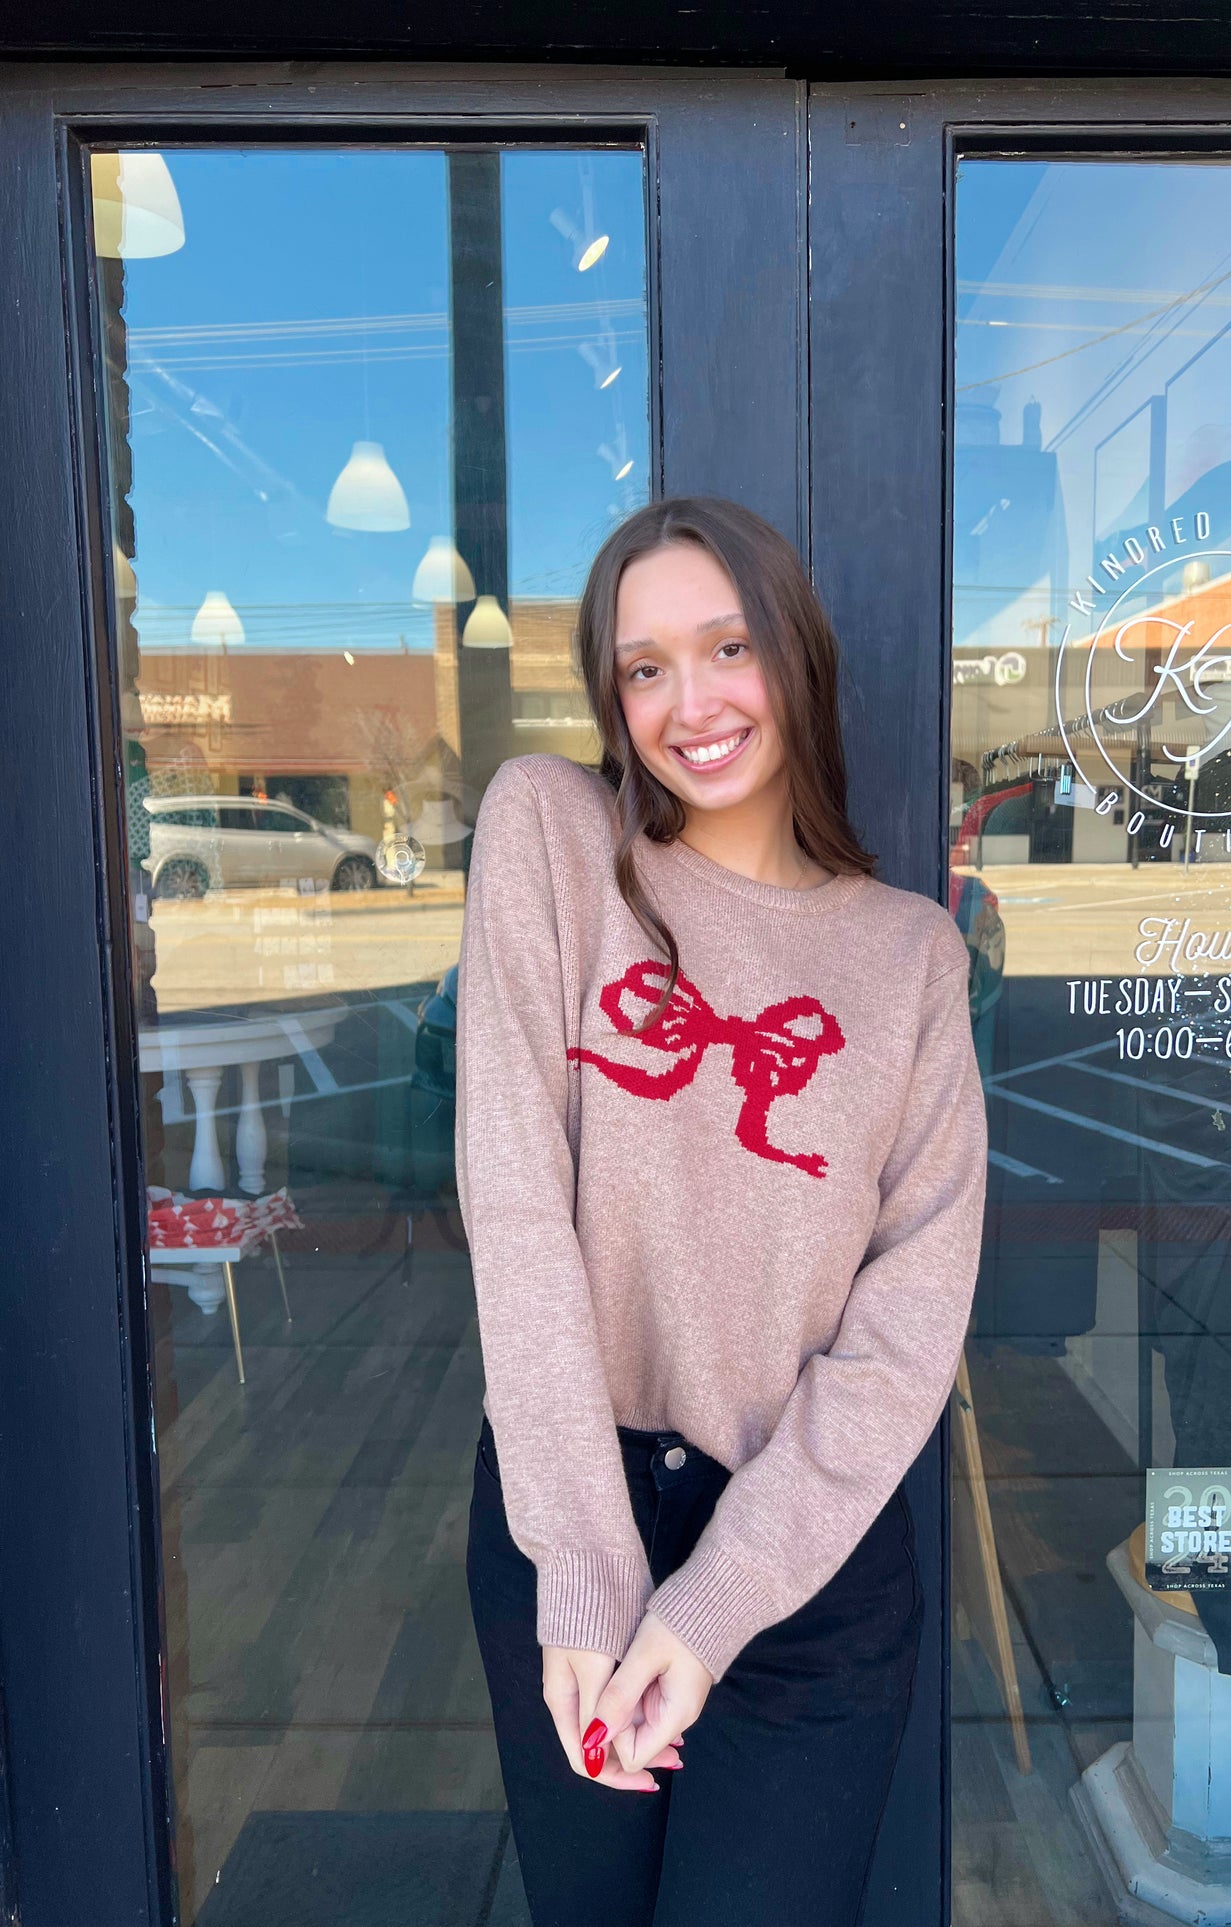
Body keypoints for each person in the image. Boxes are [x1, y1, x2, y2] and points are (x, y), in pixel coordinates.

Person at [456, 496, 987, 1927]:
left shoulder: (909, 959)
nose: (688, 703)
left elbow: (906, 1330)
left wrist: (709, 1608)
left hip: (806, 1563)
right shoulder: (557, 839)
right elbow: (512, 1203)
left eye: (727, 646)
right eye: (642, 668)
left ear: (793, 659)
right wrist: (581, 1568)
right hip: (574, 1513)